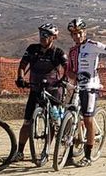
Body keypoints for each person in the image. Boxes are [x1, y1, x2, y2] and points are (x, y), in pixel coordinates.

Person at [64, 18, 106, 166]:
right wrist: (71, 77)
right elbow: (69, 70)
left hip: (91, 86)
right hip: (77, 87)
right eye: (74, 34)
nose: (77, 36)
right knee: (70, 117)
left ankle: (88, 156)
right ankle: (69, 155)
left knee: (88, 119)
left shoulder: (92, 45)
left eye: (80, 33)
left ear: (85, 32)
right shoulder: (72, 51)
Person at [16, 22, 69, 153]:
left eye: (46, 35)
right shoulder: (32, 49)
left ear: (53, 37)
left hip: (53, 91)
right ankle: (20, 151)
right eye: (41, 34)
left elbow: (67, 68)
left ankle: (47, 149)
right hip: (35, 89)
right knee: (27, 122)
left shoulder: (58, 52)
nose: (42, 37)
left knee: (53, 121)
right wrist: (20, 78)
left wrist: (63, 80)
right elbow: (23, 65)